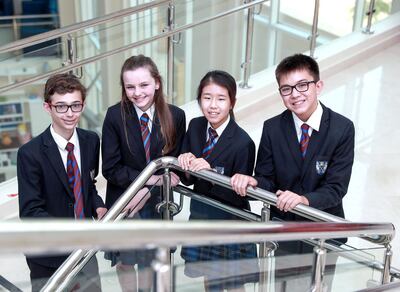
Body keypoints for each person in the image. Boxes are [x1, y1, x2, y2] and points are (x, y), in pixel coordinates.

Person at [231, 54, 355, 290]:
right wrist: (254, 181)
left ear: (318, 85)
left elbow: (336, 188)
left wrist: (303, 200)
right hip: (283, 230)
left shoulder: (342, 128)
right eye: (286, 89)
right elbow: (267, 178)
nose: (295, 94)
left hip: (323, 232)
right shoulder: (272, 127)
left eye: (302, 85)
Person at [102, 54, 186, 292]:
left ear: (157, 83)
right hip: (125, 202)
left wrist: (164, 180)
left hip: (158, 204)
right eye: (130, 87)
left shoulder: (176, 116)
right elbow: (110, 168)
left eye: (144, 85)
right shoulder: (114, 116)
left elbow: (174, 164)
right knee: (126, 261)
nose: (137, 92)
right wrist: (150, 179)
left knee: (150, 263)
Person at [17, 73, 107, 292]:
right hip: (49, 256)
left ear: (83, 105)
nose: (69, 114)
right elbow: (30, 211)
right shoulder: (30, 154)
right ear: (48, 107)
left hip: (85, 253)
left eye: (75, 106)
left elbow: (88, 182)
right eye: (61, 107)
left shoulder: (90, 140)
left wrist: (98, 204)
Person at [178, 70, 259, 292]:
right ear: (199, 99)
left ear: (232, 102)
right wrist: (185, 160)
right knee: (209, 278)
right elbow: (187, 180)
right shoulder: (195, 126)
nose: (213, 105)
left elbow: (240, 193)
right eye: (207, 98)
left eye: (221, 99)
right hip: (202, 215)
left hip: (230, 222)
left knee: (233, 283)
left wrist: (211, 172)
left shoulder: (243, 143)